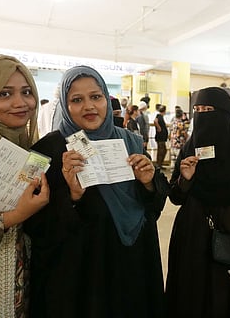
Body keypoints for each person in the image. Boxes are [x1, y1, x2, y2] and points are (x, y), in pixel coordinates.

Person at [24, 65, 168, 318]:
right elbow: (34, 224)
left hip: (131, 261)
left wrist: (148, 182)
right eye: (77, 100)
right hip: (81, 272)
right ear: (65, 106)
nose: (89, 106)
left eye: (96, 96)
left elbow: (151, 209)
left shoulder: (130, 142)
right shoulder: (46, 150)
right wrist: (71, 196)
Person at [165, 86, 230, 317]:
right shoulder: (190, 147)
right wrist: (185, 180)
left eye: (208, 110)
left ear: (225, 115)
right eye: (198, 110)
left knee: (221, 300)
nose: (202, 115)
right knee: (187, 297)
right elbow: (175, 197)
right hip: (190, 239)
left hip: (228, 242)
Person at [0, 54, 50, 317]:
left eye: (27, 92)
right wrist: (15, 215)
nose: (20, 103)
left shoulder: (24, 147)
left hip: (13, 287)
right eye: (4, 94)